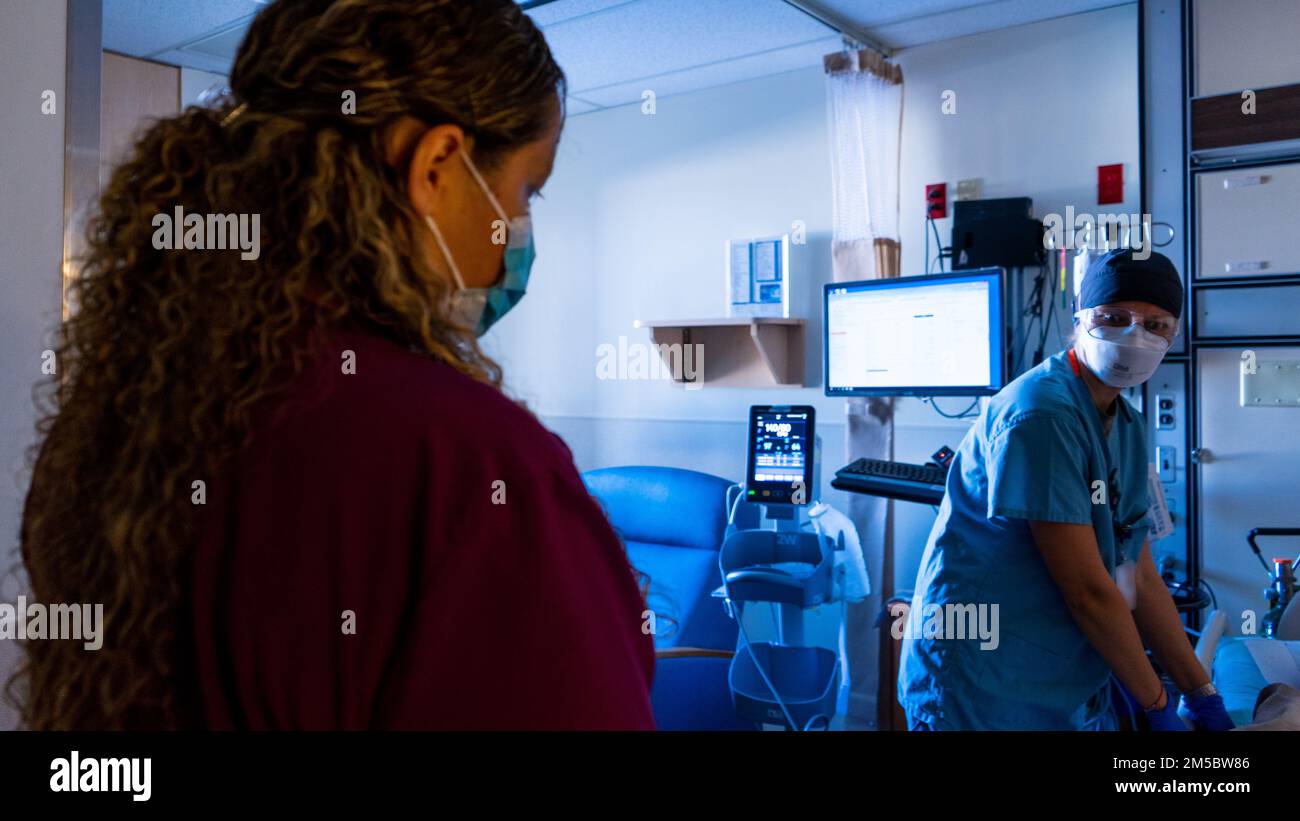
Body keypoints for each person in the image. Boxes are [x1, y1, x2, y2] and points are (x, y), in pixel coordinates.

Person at [16, 0, 655, 730]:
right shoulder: (475, 469)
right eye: (524, 191)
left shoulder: (122, 420)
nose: (519, 235)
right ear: (438, 165)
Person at [898, 249, 1233, 731]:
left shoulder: (1127, 426)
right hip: (982, 678)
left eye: (1155, 325)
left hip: (1052, 679)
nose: (1135, 335)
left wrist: (1202, 694)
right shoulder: (1041, 415)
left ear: (1173, 334)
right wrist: (1158, 706)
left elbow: (1137, 575)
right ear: (1079, 321)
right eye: (1114, 318)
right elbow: (1089, 592)